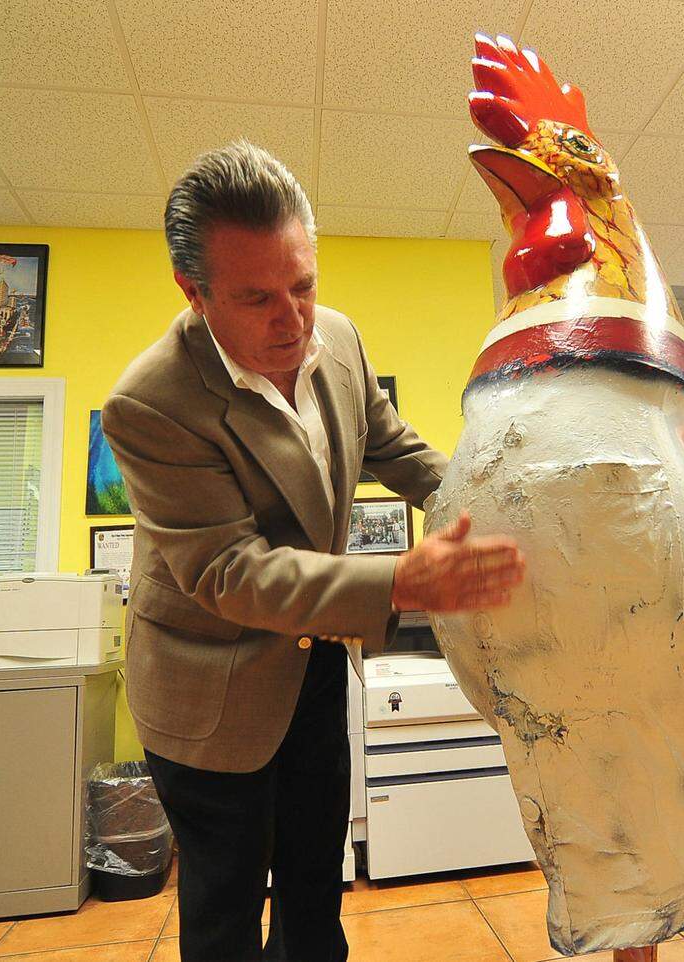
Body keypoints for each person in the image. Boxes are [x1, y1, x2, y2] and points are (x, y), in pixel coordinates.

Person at [101, 140, 525, 962]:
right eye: (258, 298)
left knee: (313, 889)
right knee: (225, 910)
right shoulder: (150, 403)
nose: (293, 320)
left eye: (304, 285)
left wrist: (494, 505)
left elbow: (394, 447)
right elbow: (230, 572)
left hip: (310, 667)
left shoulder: (339, 339)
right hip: (207, 693)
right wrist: (401, 579)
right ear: (194, 294)